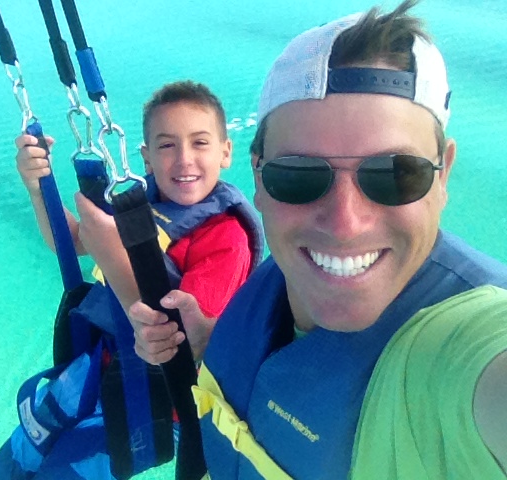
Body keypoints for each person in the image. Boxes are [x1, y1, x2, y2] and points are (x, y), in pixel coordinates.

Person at [128, 1, 507, 478]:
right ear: (260, 178)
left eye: (395, 174)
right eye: (300, 176)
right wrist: (210, 342)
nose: (344, 223)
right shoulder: (284, 276)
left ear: (443, 173)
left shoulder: (467, 348)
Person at [0, 80, 264, 479]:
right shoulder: (141, 202)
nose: (184, 160)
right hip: (99, 367)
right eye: (167, 145)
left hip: (152, 402)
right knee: (16, 457)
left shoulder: (225, 238)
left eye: (200, 143)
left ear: (225, 152)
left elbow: (178, 341)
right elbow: (75, 241)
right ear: (146, 158)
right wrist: (38, 187)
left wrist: (111, 257)